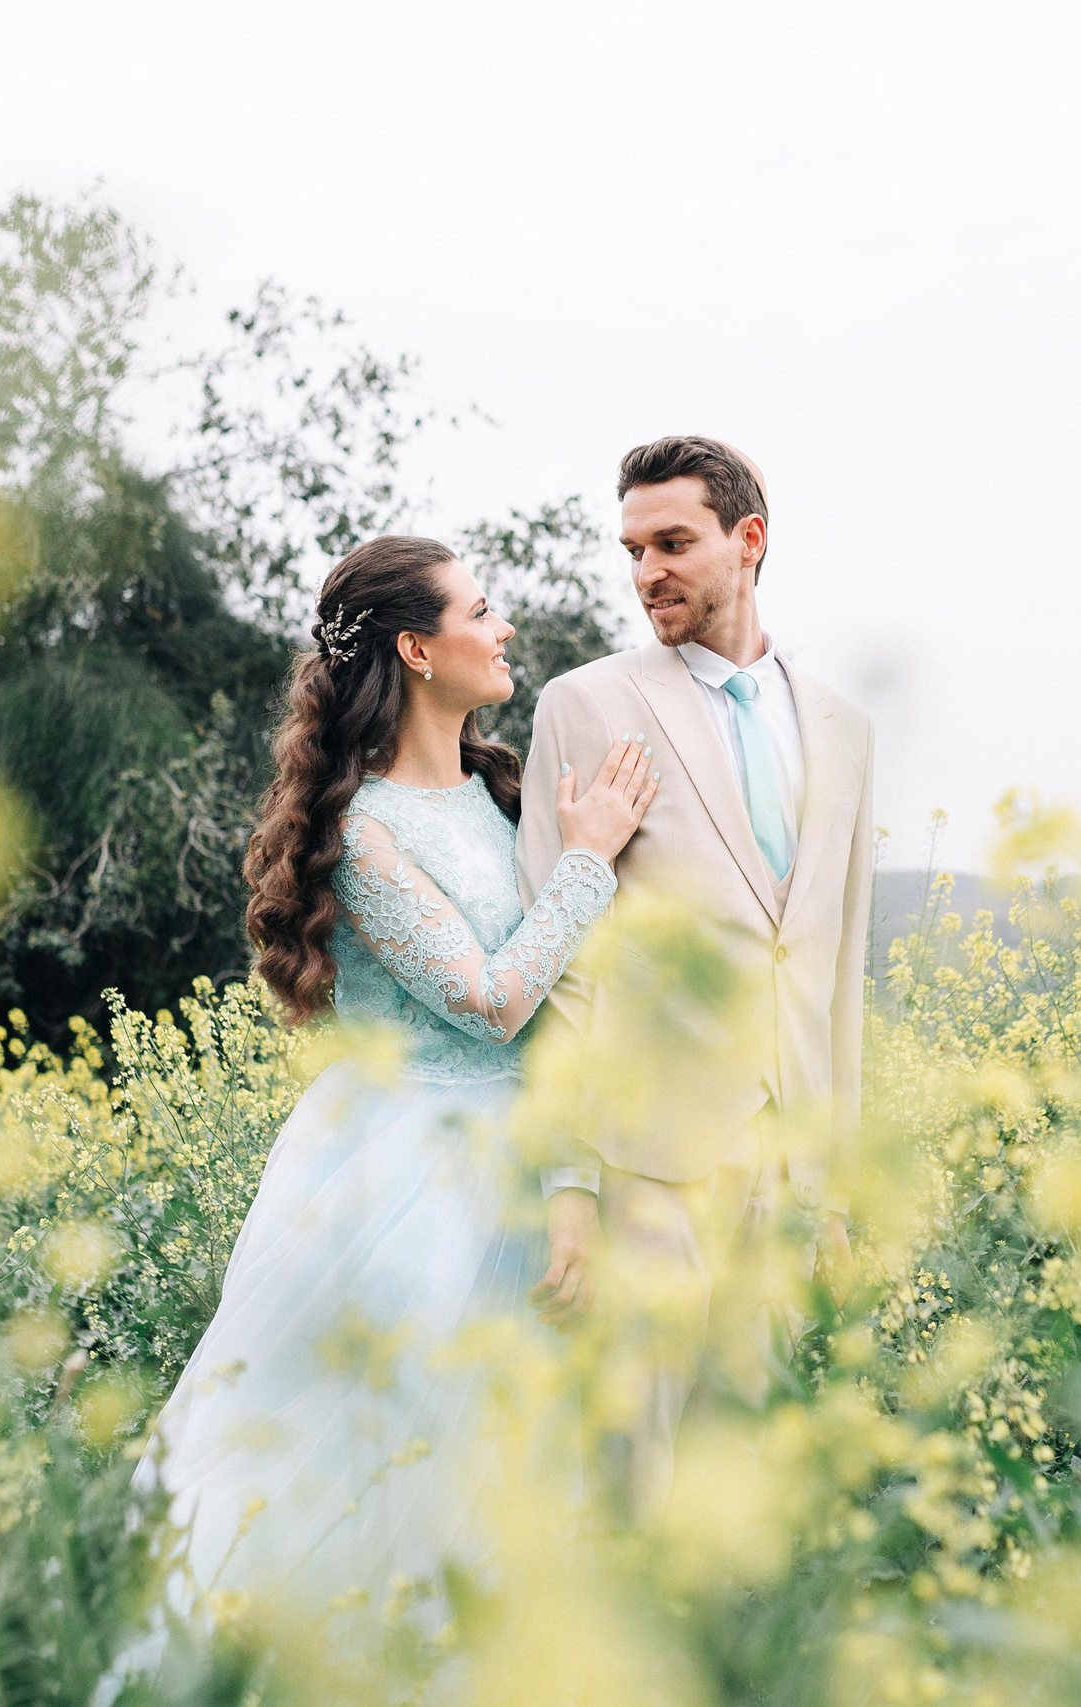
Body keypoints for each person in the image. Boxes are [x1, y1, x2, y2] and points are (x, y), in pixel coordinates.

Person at [109, 534, 658, 1659]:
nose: (503, 627)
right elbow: (495, 1002)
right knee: (370, 1479)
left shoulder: (508, 794)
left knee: (511, 1492)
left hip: (530, 1163)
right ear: (417, 648)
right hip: (406, 1180)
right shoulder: (361, 833)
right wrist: (590, 860)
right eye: (481, 608)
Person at [515, 435, 875, 1511]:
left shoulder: (846, 730)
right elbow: (563, 961)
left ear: (747, 541)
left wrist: (832, 1193)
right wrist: (567, 1189)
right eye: (632, 550)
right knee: (634, 1476)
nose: (646, 574)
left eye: (673, 543)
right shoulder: (582, 705)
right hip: (646, 1163)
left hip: (783, 1162)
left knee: (751, 1488)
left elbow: (836, 969)